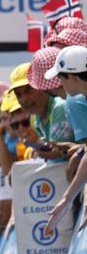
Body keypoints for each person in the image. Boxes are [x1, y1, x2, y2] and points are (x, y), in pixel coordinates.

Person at [44, 46, 87, 234]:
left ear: (74, 76)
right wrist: (67, 199)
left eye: (61, 76)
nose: (59, 82)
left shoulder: (75, 102)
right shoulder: (80, 98)